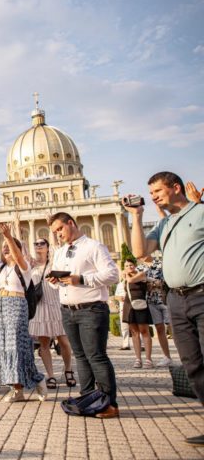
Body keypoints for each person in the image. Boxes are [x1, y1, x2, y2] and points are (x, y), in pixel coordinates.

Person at [126, 172, 204, 445]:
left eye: (158, 190)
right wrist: (135, 217)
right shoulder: (165, 223)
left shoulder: (201, 213)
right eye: (151, 192)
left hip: (202, 294)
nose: (153, 196)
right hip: (177, 299)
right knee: (192, 364)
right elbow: (140, 252)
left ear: (176, 188)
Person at [48, 211, 120, 419]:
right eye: (55, 232)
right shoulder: (60, 252)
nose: (58, 234)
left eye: (60, 229)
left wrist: (81, 279)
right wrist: (55, 281)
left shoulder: (94, 247)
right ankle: (89, 399)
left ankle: (109, 403)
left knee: (96, 356)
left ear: (71, 223)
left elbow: (112, 274)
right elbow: (62, 281)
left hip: (91, 308)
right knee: (80, 357)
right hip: (68, 310)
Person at [0, 223, 47, 402]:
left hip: (16, 304)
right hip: (1, 305)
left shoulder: (23, 266)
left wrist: (9, 237)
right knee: (4, 348)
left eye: (8, 247)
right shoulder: (2, 268)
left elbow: (18, 255)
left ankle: (37, 379)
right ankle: (17, 389)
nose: (5, 249)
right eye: (3, 247)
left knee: (18, 347)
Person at [28, 237, 75, 389]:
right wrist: (16, 228)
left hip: (55, 304)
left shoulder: (54, 262)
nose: (38, 246)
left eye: (42, 243)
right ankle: (51, 375)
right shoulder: (31, 264)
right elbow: (20, 249)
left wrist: (53, 234)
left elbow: (59, 247)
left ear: (48, 247)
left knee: (64, 341)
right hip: (40, 306)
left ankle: (68, 370)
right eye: (36, 243)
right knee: (44, 344)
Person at [121, 260, 154, 368]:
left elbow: (131, 280)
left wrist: (124, 273)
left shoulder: (141, 274)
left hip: (140, 305)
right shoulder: (124, 278)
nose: (129, 267)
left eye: (131, 265)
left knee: (144, 331)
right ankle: (138, 358)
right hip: (129, 305)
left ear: (135, 265)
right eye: (126, 266)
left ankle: (148, 359)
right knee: (134, 332)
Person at [143, 257, 173, 366]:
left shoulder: (160, 263)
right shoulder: (140, 267)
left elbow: (166, 280)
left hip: (164, 299)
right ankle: (167, 357)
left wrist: (152, 283)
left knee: (173, 327)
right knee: (159, 328)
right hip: (151, 301)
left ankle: (184, 354)